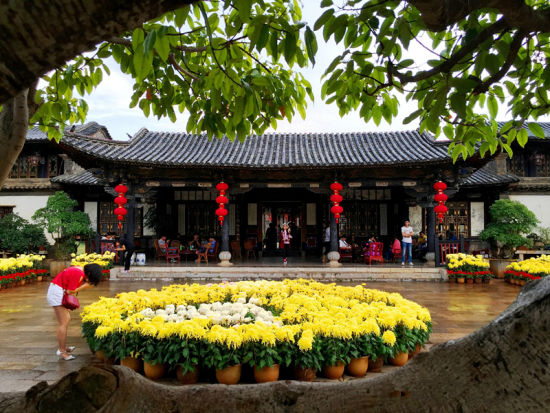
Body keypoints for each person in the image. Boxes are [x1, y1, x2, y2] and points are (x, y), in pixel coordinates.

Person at [46, 264, 102, 361]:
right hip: (57, 294)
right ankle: (62, 351)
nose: (88, 281)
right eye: (90, 279)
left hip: (57, 291)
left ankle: (63, 347)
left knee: (66, 320)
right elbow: (70, 291)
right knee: (63, 323)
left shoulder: (79, 269)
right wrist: (85, 286)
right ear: (89, 273)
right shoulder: (79, 273)